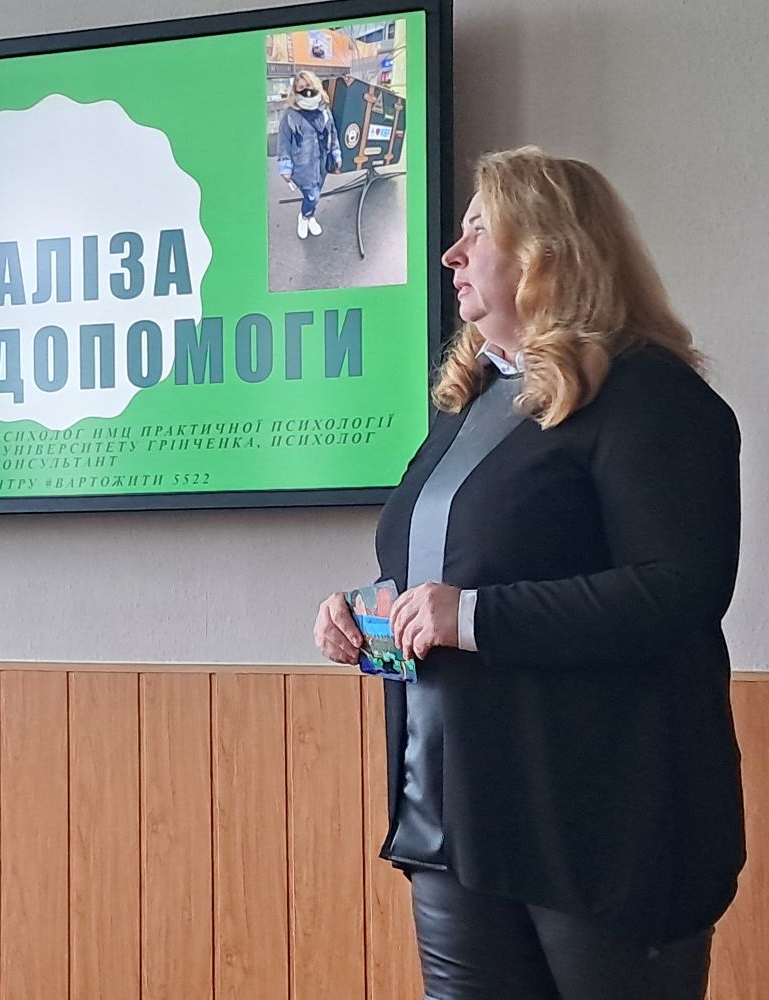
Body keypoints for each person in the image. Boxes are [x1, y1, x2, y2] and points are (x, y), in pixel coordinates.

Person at [313, 146, 744, 1000]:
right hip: (450, 815)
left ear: (551, 250)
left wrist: (473, 617)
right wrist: (369, 617)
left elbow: (679, 590)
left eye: (479, 230)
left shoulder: (651, 397)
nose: (451, 254)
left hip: (596, 827)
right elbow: (450, 575)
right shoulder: (470, 403)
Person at [276, 70, 343, 240]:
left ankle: (310, 215)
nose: (306, 90)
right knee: (312, 196)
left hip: (322, 163)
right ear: (295, 90)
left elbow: (332, 133)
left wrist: (336, 153)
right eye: (301, 87)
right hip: (302, 166)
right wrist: (285, 165)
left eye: (308, 85)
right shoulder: (290, 115)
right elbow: (283, 142)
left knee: (316, 192)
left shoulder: (324, 111)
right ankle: (304, 217)